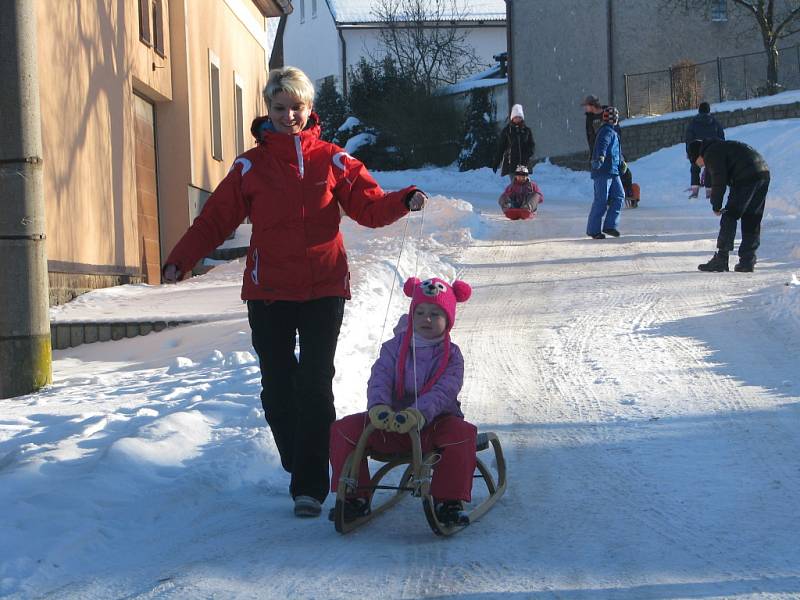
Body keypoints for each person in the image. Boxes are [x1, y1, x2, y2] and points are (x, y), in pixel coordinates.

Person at [161, 66, 426, 518]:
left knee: (315, 382)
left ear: (309, 109)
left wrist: (402, 200)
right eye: (280, 109)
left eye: (297, 108)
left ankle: (309, 485)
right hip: (269, 292)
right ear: (269, 110)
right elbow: (215, 220)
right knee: (278, 388)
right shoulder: (250, 165)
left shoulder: (334, 160)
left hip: (324, 286)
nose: (289, 117)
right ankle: (298, 456)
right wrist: (181, 259)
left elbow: (368, 205)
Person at [329, 277, 477, 526]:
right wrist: (378, 407)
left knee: (463, 434)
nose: (426, 319)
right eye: (419, 312)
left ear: (448, 319)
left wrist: (418, 413)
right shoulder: (393, 348)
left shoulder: (452, 355)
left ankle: (448, 501)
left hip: (432, 427)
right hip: (391, 424)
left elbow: (445, 390)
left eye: (435, 313)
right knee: (343, 430)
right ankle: (355, 497)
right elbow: (380, 377)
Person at [687, 138, 770, 272]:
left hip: (746, 176)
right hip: (762, 173)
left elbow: (718, 181)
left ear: (698, 155)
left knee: (729, 215)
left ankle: (721, 259)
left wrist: (716, 205)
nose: (699, 165)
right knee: (752, 217)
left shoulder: (711, 153)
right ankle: (747, 261)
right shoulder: (720, 147)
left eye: (696, 162)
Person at [581, 94, 638, 207]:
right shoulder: (589, 118)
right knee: (602, 176)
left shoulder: (608, 113)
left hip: (612, 149)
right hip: (598, 151)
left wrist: (617, 149)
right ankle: (606, 197)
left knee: (623, 171)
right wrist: (593, 153)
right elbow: (590, 136)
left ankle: (629, 192)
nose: (584, 108)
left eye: (586, 105)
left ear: (592, 105)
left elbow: (616, 131)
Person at [587, 106, 626, 239]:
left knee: (619, 196)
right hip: (603, 170)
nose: (613, 120)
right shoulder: (606, 131)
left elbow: (616, 151)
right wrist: (600, 157)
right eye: (611, 118)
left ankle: (610, 225)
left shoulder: (614, 132)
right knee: (601, 200)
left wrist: (621, 162)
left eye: (614, 117)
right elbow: (602, 145)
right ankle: (593, 230)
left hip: (613, 171)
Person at [685, 102, 725, 198]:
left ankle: (695, 192)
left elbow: (689, 139)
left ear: (699, 110)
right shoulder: (715, 122)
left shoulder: (693, 122)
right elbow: (721, 138)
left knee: (694, 168)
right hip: (711, 149)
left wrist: (688, 152)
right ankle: (709, 193)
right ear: (709, 110)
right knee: (709, 169)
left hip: (697, 149)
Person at [493, 104, 535, 180]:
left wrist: (528, 155)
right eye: (516, 117)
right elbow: (501, 148)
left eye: (519, 117)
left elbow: (531, 145)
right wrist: (496, 163)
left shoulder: (527, 130)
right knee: (514, 187)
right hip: (511, 164)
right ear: (512, 118)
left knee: (524, 187)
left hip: (524, 164)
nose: (517, 119)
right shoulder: (507, 131)